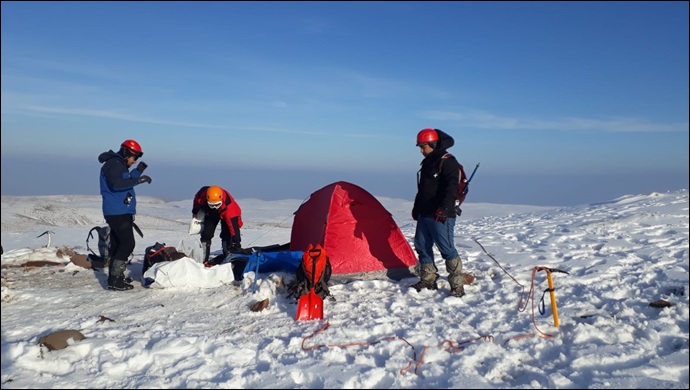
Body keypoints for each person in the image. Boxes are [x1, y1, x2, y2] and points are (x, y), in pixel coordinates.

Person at [411, 128, 466, 297]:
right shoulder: (428, 162)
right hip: (425, 213)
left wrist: (445, 208)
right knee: (422, 245)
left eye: (423, 146)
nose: (421, 150)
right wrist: (416, 207)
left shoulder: (448, 161)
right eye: (420, 147)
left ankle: (457, 284)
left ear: (433, 144)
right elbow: (424, 189)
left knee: (446, 248)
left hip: (441, 214)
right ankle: (428, 279)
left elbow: (452, 187)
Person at [98, 139, 152, 291]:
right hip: (117, 212)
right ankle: (115, 279)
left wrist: (138, 172)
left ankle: (115, 278)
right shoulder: (113, 164)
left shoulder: (117, 164)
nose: (135, 162)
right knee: (128, 244)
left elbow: (125, 179)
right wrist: (139, 180)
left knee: (118, 244)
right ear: (128, 153)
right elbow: (117, 184)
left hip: (119, 211)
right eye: (135, 158)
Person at [192, 185, 247, 264]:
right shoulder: (201, 195)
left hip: (225, 211)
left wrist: (236, 243)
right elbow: (197, 201)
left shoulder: (230, 208)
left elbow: (234, 227)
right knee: (206, 234)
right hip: (210, 213)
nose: (215, 207)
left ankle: (227, 256)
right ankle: (203, 259)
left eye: (217, 205)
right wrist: (195, 211)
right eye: (212, 205)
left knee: (226, 234)